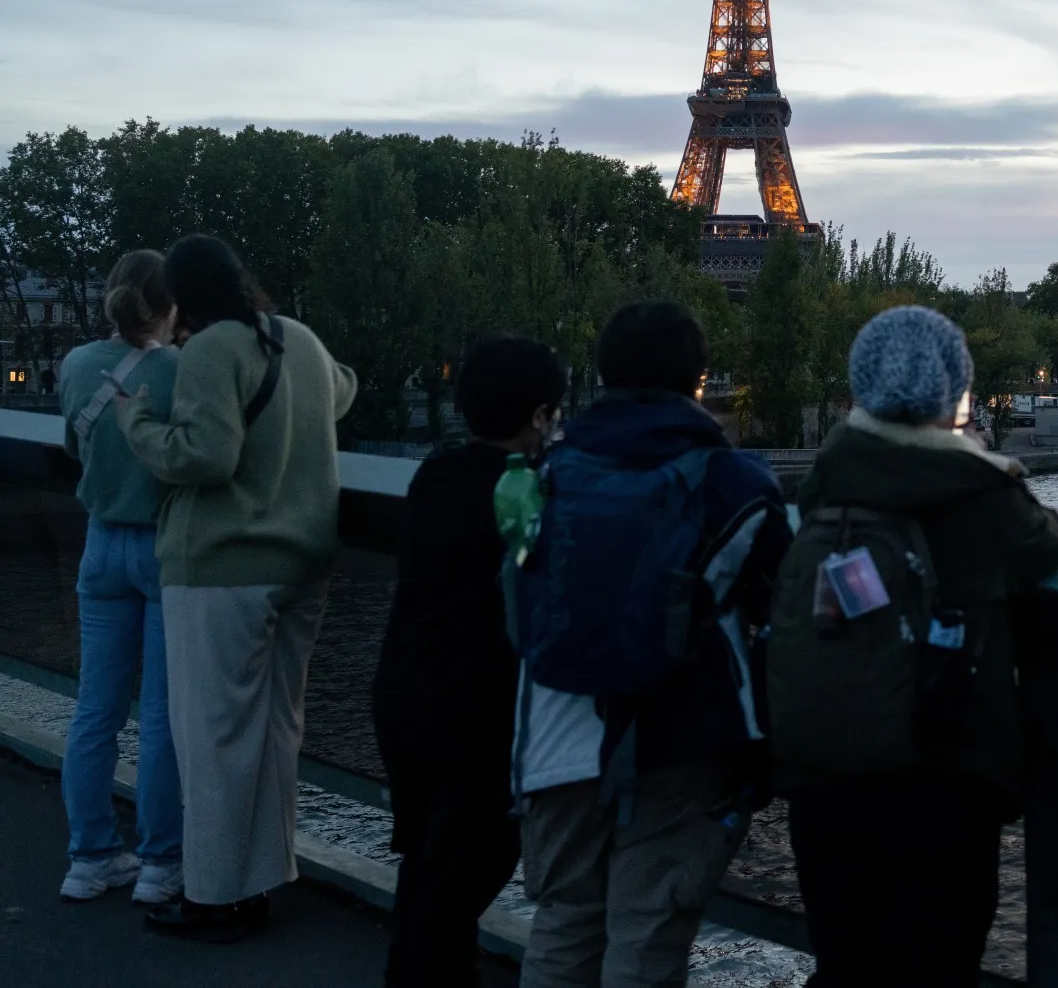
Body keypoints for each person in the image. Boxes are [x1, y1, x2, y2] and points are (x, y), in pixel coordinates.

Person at [779, 306, 1058, 988]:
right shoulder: (978, 490)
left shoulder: (828, 477)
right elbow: (1046, 546)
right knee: (939, 962)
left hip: (832, 764)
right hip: (944, 770)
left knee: (846, 959)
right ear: (953, 390)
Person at [512, 299, 791, 988]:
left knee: (563, 922)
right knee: (647, 937)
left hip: (559, 729)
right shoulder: (738, 485)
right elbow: (781, 607)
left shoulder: (544, 475)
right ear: (698, 379)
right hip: (685, 737)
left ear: (602, 375)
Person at [117, 233, 357, 942]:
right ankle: (264, 878)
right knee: (277, 732)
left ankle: (215, 897)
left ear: (181, 297)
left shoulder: (211, 349)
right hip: (303, 564)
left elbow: (204, 456)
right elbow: (342, 389)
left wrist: (138, 420)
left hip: (223, 569)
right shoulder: (300, 341)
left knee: (213, 739)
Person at [373, 336, 567, 987]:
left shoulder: (435, 477)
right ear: (539, 417)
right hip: (476, 714)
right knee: (462, 874)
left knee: (428, 867)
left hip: (405, 696)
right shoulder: (526, 493)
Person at [54, 249, 184, 905]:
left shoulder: (76, 364)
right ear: (170, 307)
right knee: (161, 717)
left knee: (94, 711)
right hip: (164, 550)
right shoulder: (181, 371)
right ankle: (161, 866)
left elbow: (74, 449)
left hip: (99, 545)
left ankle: (90, 858)